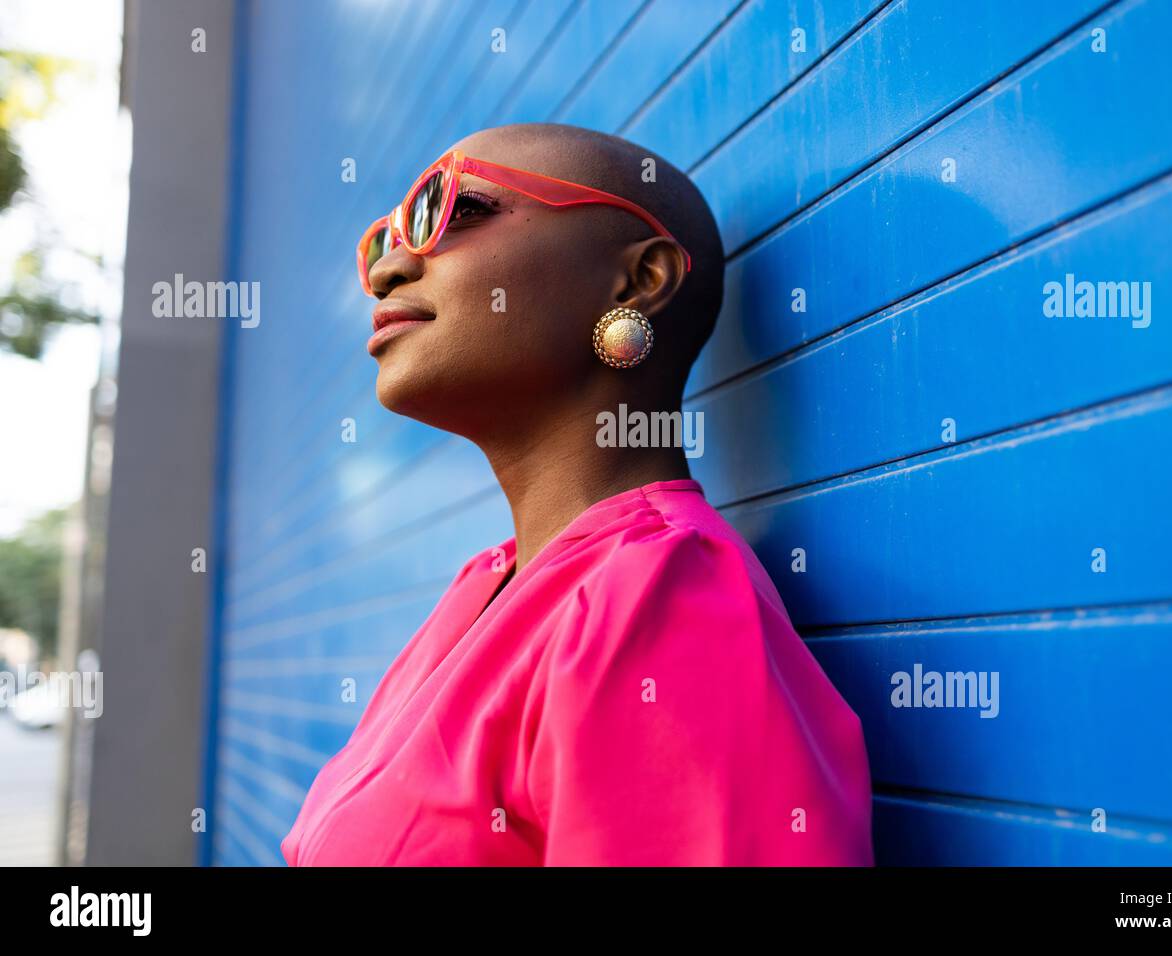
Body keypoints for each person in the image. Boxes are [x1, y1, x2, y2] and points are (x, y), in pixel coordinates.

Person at [280, 122, 873, 866]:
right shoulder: (485, 589)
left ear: (639, 280)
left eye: (452, 211)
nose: (389, 268)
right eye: (385, 237)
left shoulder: (658, 597)